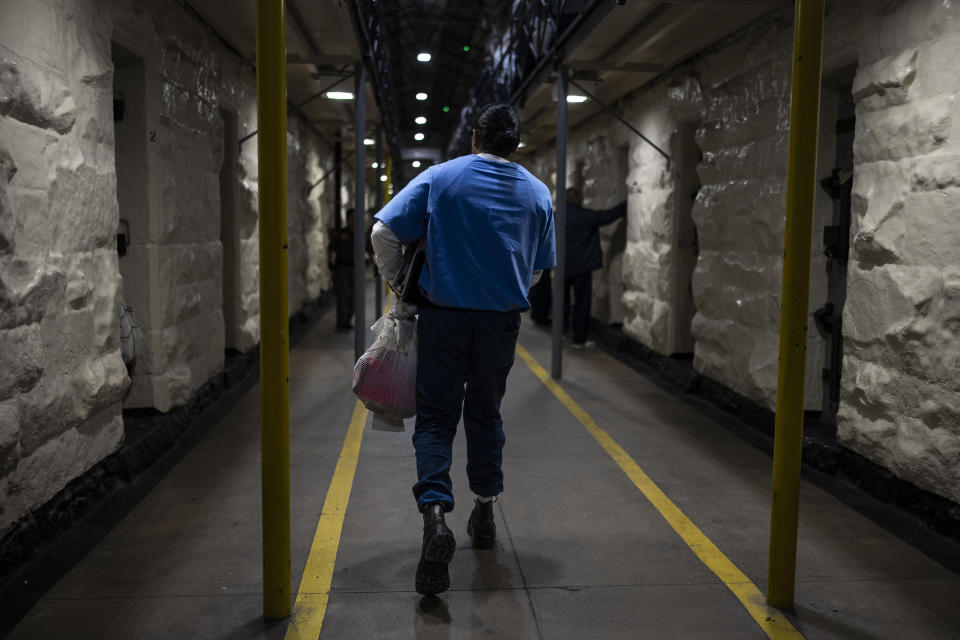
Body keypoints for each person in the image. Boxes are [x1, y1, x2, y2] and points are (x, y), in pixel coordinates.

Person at [370, 104, 555, 596]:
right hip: (500, 323)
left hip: (444, 319)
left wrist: (401, 285)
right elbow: (537, 269)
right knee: (486, 415)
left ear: (474, 137)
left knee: (435, 419)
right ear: (514, 144)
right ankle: (485, 515)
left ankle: (435, 519)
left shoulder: (441, 179)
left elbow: (383, 233)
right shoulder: (538, 193)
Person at [563, 188, 626, 348]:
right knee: (581, 304)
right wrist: (625, 204)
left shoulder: (557, 216)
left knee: (562, 302)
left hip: (562, 265)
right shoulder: (585, 216)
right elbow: (607, 216)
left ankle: (561, 332)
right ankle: (578, 339)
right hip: (582, 267)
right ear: (578, 199)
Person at [330, 208, 356, 330]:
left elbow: (370, 250)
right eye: (351, 218)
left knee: (353, 296)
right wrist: (331, 263)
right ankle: (342, 320)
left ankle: (348, 319)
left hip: (356, 269)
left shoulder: (361, 234)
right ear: (347, 219)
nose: (353, 221)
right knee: (343, 294)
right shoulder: (341, 234)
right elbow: (332, 249)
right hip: (342, 268)